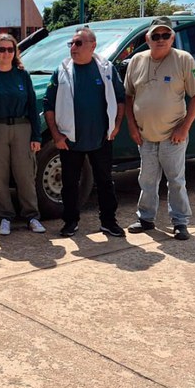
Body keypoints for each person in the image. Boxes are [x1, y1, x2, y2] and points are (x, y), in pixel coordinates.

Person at [124, 16, 195, 240]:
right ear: (147, 38)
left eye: (165, 35)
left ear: (172, 38)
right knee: (147, 180)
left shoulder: (183, 59)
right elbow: (128, 96)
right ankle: (146, 218)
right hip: (145, 135)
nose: (161, 39)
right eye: (156, 35)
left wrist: (184, 127)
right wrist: (132, 126)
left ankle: (180, 222)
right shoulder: (136, 61)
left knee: (176, 180)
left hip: (173, 135)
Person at [44, 26, 126, 237]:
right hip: (70, 140)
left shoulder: (106, 69)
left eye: (78, 43)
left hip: (101, 138)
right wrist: (56, 135)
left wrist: (116, 125)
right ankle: (70, 222)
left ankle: (108, 221)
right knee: (70, 184)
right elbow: (49, 105)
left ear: (92, 46)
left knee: (105, 181)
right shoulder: (61, 70)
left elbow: (120, 98)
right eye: (71, 43)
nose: (73, 47)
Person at [0, 33, 45, 236]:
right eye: (2, 49)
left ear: (15, 52)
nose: (6, 53)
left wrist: (36, 136)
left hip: (22, 128)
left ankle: (32, 216)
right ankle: (5, 217)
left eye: (10, 49)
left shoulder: (22, 75)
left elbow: (32, 107)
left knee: (25, 175)